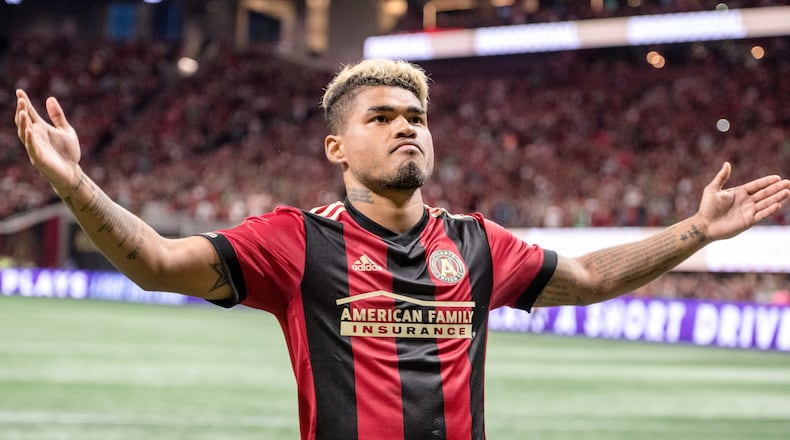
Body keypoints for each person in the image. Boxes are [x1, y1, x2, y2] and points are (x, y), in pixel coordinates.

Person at [14, 58, 789, 440]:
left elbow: (584, 276)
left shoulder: (477, 243)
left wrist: (698, 231)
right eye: (381, 116)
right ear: (336, 148)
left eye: (415, 114)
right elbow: (153, 261)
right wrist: (76, 184)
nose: (406, 125)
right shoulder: (295, 241)